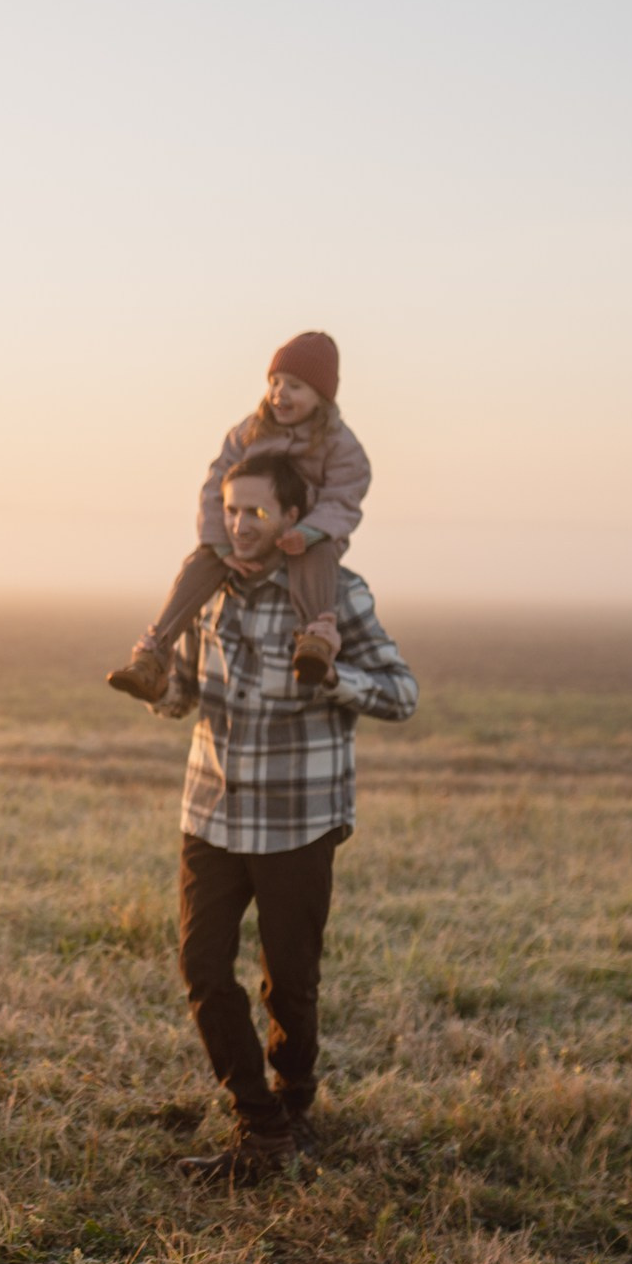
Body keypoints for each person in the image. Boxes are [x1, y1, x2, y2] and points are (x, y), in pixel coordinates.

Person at [149, 449, 416, 1185]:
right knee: (202, 968)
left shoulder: (334, 597)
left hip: (298, 817)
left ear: (293, 519)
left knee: (289, 981)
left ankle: (294, 1103)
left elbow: (402, 694)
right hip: (210, 811)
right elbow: (183, 699)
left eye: (256, 511)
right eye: (232, 510)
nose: (239, 525)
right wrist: (159, 680)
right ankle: (257, 1122)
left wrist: (334, 674)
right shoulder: (205, 592)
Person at [109, 331, 373, 701]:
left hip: (304, 535)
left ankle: (315, 639)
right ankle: (153, 655)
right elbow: (217, 485)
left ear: (322, 396)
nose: (280, 392)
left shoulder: (340, 445)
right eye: (274, 382)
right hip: (246, 536)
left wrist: (311, 530)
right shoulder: (248, 432)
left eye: (294, 386)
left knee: (318, 556)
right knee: (199, 564)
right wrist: (219, 543)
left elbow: (344, 496)